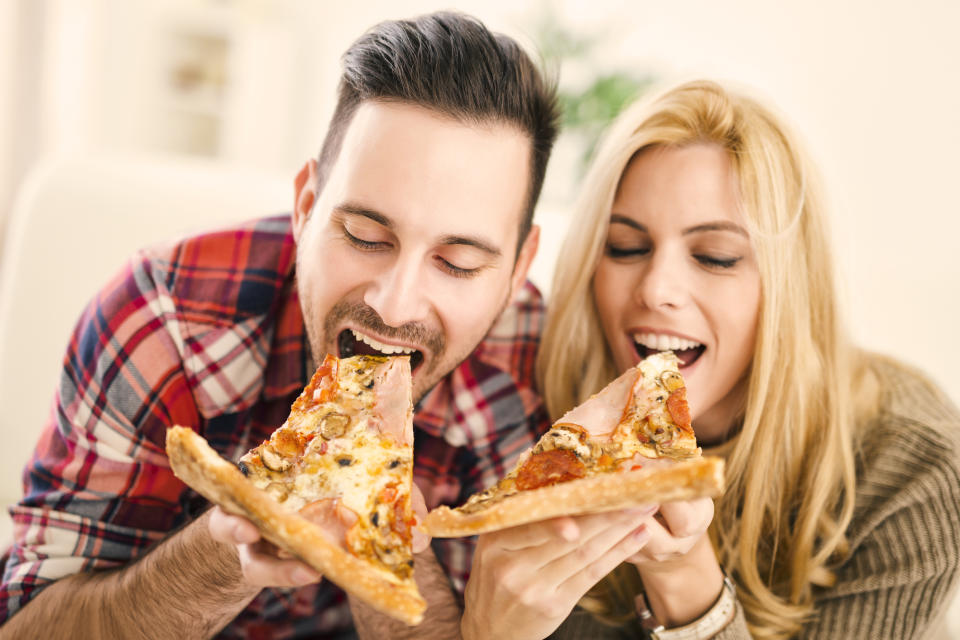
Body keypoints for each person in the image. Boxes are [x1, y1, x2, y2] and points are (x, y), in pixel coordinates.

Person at [0, 11, 560, 639]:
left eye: (457, 264)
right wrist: (222, 547)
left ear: (518, 269)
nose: (397, 304)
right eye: (365, 235)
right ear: (306, 207)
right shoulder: (160, 322)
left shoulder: (536, 363)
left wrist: (383, 538)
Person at [460, 80, 960, 639]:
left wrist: (686, 584)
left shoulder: (913, 467)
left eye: (715, 257)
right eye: (627, 247)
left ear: (790, 286)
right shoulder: (544, 418)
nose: (657, 289)